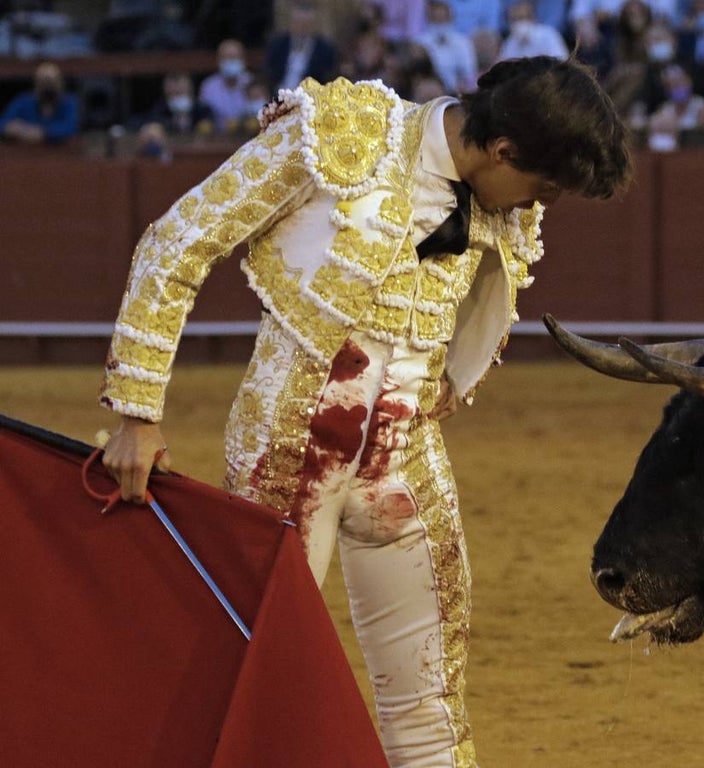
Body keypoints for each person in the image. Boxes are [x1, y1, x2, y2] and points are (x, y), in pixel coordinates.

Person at [98, 56, 631, 768]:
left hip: (406, 453)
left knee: (431, 698)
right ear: (502, 151)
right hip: (288, 450)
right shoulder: (340, 131)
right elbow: (178, 241)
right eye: (543, 187)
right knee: (263, 678)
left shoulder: (505, 195)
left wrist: (450, 377)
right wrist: (137, 412)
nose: (540, 206)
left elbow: (483, 301)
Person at [264, 1, 339, 92]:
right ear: (292, 24)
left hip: (308, 99)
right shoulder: (278, 44)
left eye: (306, 24)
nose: (302, 28)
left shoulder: (325, 50)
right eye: (299, 23)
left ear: (313, 26)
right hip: (278, 94)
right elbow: (268, 73)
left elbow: (326, 79)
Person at [0, 62, 79, 145]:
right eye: (44, 81)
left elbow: (72, 127)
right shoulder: (23, 101)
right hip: (25, 152)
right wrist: (11, 127)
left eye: (51, 81)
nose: (48, 86)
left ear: (60, 83)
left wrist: (44, 132)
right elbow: (2, 122)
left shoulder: (69, 102)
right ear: (36, 83)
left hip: (60, 153)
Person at [417, 0, 480, 93]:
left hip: (457, 90)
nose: (440, 23)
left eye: (443, 19)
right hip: (430, 90)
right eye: (436, 19)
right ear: (429, 19)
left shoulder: (463, 42)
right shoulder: (420, 42)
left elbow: (469, 72)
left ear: (451, 18)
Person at [134, 71, 214, 136]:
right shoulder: (159, 110)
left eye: (181, 92)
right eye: (174, 94)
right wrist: (173, 122)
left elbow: (212, 128)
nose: (177, 98)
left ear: (190, 90)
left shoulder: (203, 110)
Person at [199, 38, 253, 133]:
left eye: (235, 57)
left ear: (243, 60)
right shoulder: (208, 86)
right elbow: (204, 118)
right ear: (219, 61)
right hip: (216, 138)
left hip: (248, 136)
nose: (231, 61)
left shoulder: (251, 82)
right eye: (228, 58)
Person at [497, 0, 570, 61]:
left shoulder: (548, 34)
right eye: (514, 19)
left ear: (532, 18)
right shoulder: (510, 41)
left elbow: (561, 62)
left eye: (522, 18)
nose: (518, 23)